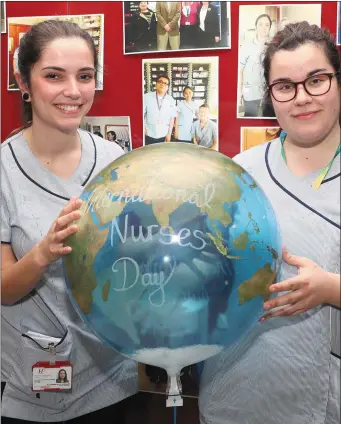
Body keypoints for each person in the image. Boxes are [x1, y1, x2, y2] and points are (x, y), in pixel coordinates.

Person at [200, 22, 340, 424]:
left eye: (316, 80)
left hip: (322, 397)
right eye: (284, 86)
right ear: (270, 96)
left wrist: (330, 287)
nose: (302, 98)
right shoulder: (237, 175)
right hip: (235, 392)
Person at [1, 20, 138, 423]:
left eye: (85, 76)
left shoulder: (119, 162)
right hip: (33, 386)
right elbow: (4, 290)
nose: (73, 91)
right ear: (24, 81)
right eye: (53, 76)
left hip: (112, 381)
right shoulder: (5, 170)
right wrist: (42, 253)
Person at [238, 14, 272, 117]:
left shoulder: (274, 46)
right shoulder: (246, 46)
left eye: (267, 25)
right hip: (251, 92)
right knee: (250, 117)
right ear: (256, 27)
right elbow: (240, 70)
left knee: (268, 118)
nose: (264, 28)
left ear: (270, 27)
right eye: (260, 24)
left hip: (268, 93)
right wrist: (239, 92)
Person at [144, 74, 177, 145]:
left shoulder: (171, 100)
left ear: (168, 87)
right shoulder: (146, 97)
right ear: (156, 84)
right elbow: (141, 114)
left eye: (165, 83)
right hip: (148, 133)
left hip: (164, 134)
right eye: (160, 82)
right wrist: (143, 128)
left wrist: (169, 134)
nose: (162, 84)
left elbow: (172, 118)